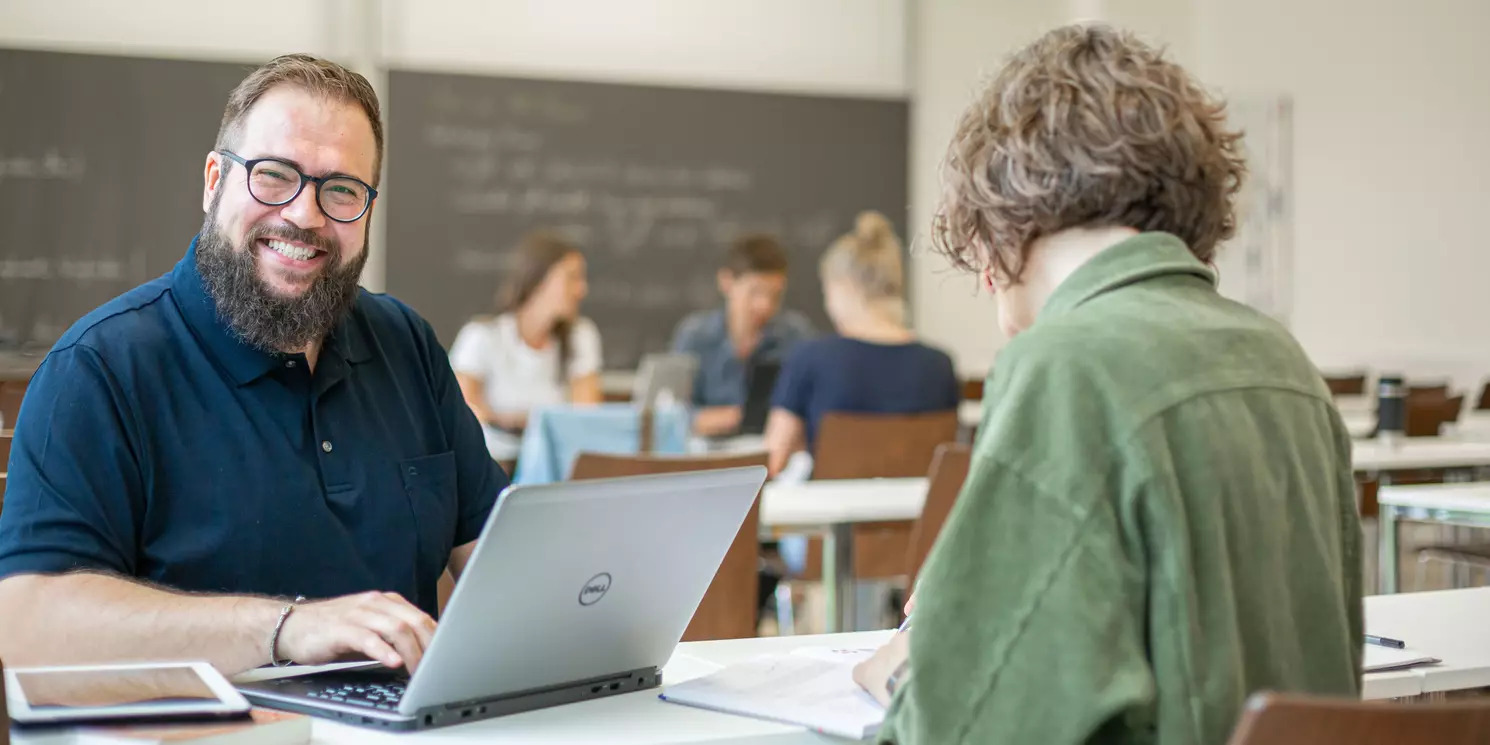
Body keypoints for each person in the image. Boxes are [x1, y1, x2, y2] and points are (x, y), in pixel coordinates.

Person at [853, 25, 1362, 744]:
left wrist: (914, 666)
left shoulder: (1064, 366)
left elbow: (970, 729)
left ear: (1000, 219)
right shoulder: (1286, 364)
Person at [0, 54, 506, 677]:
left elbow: (497, 564)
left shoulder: (407, 343)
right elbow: (27, 625)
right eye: (273, 175)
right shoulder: (100, 368)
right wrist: (288, 628)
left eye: (342, 189)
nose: (304, 214)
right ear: (214, 180)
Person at [763, 212, 959, 476]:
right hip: (915, 516)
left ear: (842, 287)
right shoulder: (940, 365)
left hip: (830, 515)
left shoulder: (810, 359)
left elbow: (772, 461)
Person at [448, 232, 603, 461]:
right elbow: (464, 410)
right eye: (571, 278)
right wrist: (528, 423)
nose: (581, 289)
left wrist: (523, 421)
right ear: (537, 280)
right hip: (492, 463)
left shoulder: (581, 336)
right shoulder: (481, 336)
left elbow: (587, 416)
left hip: (555, 465)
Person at [670, 234, 815, 436]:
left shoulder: (795, 335)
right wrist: (734, 417)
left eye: (775, 295)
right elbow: (672, 414)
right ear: (727, 282)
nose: (764, 306)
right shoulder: (695, 335)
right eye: (755, 292)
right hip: (708, 453)